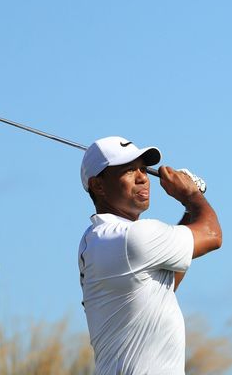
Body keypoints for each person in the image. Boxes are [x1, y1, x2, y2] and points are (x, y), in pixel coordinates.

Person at [78, 136, 222, 375]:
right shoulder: (131, 238)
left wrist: (189, 206)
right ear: (99, 186)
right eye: (128, 170)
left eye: (143, 169)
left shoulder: (96, 238)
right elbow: (213, 234)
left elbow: (161, 286)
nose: (142, 177)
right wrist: (192, 196)